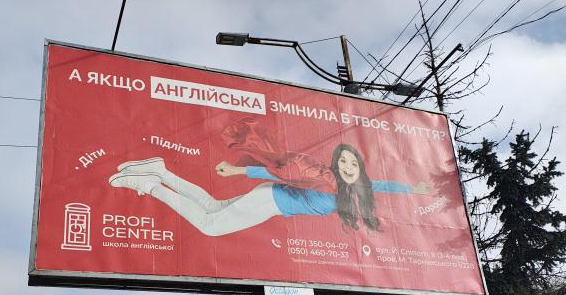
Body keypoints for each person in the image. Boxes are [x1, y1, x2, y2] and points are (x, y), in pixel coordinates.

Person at [108, 122, 429, 237]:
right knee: (209, 226)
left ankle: (161, 171)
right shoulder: (327, 180)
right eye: (342, 161)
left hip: (270, 196)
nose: (347, 167)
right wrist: (238, 171)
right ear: (336, 164)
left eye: (352, 162)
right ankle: (151, 185)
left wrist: (414, 189)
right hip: (270, 199)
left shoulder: (356, 187)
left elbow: (386, 186)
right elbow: (282, 171)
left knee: (212, 207)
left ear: (359, 168)